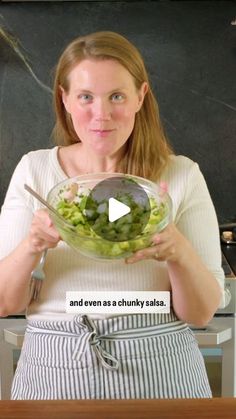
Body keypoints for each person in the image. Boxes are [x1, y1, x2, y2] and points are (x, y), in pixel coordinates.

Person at [0, 31, 225, 400]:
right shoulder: (35, 170)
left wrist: (177, 251)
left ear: (141, 96)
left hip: (162, 370)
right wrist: (33, 243)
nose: (100, 115)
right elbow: (4, 302)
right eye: (86, 97)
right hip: (55, 371)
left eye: (116, 96)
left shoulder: (181, 174)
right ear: (65, 99)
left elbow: (200, 314)